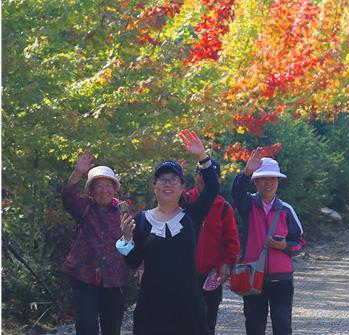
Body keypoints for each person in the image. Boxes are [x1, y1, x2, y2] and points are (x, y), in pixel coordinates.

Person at [117, 129, 219, 335]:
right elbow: (133, 263)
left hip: (188, 305)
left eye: (174, 179)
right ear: (154, 186)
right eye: (162, 179)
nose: (168, 183)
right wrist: (127, 239)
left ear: (182, 187)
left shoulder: (191, 215)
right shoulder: (142, 220)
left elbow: (213, 189)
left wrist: (202, 156)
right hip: (152, 306)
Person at [231, 148, 305, 335]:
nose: (268, 183)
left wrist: (285, 246)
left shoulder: (286, 210)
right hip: (253, 276)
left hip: (282, 279)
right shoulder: (248, 205)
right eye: (263, 178)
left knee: (282, 326)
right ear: (255, 182)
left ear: (278, 181)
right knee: (254, 326)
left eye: (272, 179)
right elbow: (237, 191)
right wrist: (246, 171)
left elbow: (300, 242)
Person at [60, 149, 129, 335]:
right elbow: (67, 197)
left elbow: (134, 241)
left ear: (115, 189)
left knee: (111, 329)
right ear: (91, 190)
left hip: (115, 279)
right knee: (86, 327)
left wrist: (140, 267)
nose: (104, 190)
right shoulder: (84, 207)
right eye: (99, 186)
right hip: (84, 276)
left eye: (108, 185)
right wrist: (78, 173)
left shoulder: (124, 212)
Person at [182, 158, 240, 335]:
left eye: (211, 176)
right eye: (201, 174)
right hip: (184, 273)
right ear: (195, 176)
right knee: (182, 322)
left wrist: (227, 262)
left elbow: (231, 240)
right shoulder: (183, 200)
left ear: (217, 180)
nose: (204, 180)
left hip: (211, 275)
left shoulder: (224, 207)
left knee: (207, 324)